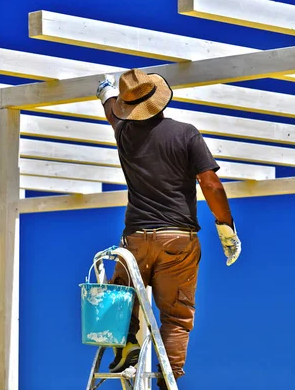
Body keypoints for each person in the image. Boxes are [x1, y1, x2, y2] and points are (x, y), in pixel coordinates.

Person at [95, 68, 242, 388]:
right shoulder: (186, 134)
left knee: (121, 298)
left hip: (135, 240)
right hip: (178, 240)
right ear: (159, 100)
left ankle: (127, 349)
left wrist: (105, 92)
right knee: (176, 317)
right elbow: (210, 184)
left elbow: (110, 114)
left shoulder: (123, 132)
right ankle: (168, 377)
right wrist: (226, 225)